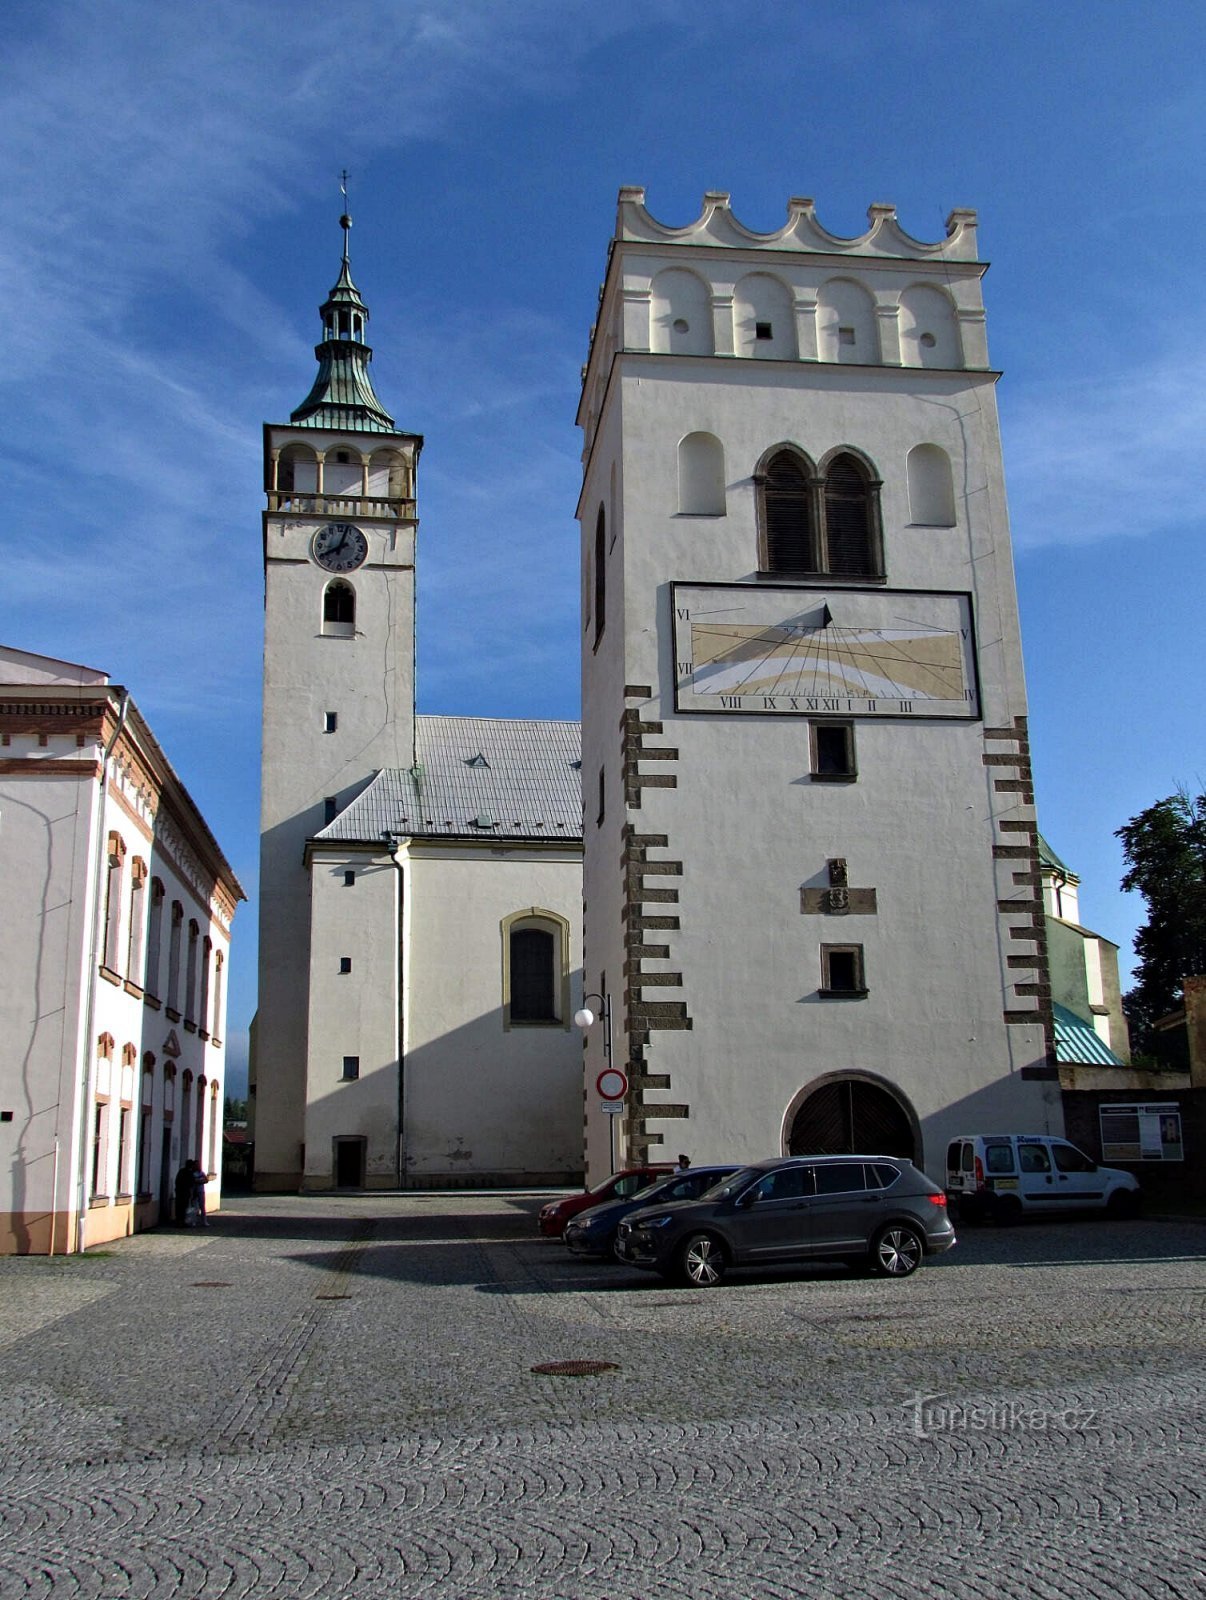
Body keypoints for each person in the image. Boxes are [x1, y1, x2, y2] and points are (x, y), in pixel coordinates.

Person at [174, 1159, 196, 1227]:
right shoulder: (189, 1173)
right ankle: (182, 1222)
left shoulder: (181, 1171)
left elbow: (177, 1181)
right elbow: (192, 1183)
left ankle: (178, 1221)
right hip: (185, 1192)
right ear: (191, 1166)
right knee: (184, 1207)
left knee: (179, 1207)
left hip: (179, 1192)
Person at [191, 1160, 209, 1228]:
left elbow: (206, 1180)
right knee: (194, 1207)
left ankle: (204, 1221)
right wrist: (198, 1180)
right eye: (196, 1164)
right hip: (194, 1191)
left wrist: (199, 1180)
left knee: (202, 1206)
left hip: (201, 1191)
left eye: (198, 1164)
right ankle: (193, 1221)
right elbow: (192, 1181)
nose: (197, 1166)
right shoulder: (192, 1173)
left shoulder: (201, 1172)